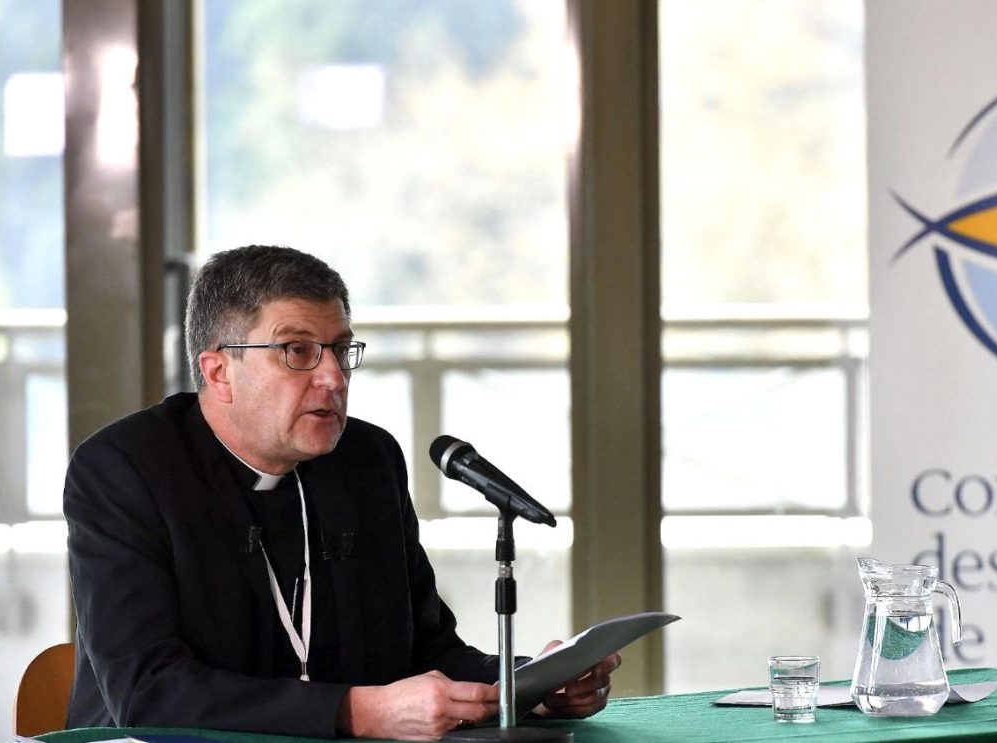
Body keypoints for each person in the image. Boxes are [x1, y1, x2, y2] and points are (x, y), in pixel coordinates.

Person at [63, 245, 620, 739]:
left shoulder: (366, 461)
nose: (333, 377)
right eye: (297, 351)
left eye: (339, 349)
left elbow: (428, 652)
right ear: (218, 372)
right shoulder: (124, 471)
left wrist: (529, 686)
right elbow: (148, 692)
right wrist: (358, 712)